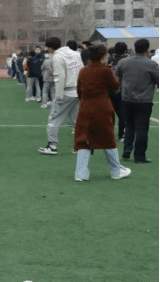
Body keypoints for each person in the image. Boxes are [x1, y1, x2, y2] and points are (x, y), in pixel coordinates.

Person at [73, 45, 131, 181]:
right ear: (103, 56)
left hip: (85, 107)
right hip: (102, 106)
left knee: (83, 139)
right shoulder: (105, 70)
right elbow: (115, 86)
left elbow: (79, 91)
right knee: (108, 139)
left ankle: (80, 174)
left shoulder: (83, 70)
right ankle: (116, 171)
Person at [115, 38, 159, 164]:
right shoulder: (150, 64)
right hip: (144, 100)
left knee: (129, 125)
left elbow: (117, 76)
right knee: (142, 128)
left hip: (127, 98)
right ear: (147, 49)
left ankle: (127, 149)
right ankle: (139, 156)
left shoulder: (124, 62)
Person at [38, 38, 83, 155]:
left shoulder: (57, 57)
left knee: (54, 118)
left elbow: (59, 76)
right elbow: (82, 71)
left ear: (50, 48)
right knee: (76, 119)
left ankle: (52, 146)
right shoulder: (76, 54)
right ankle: (81, 145)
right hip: (77, 91)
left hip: (65, 92)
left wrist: (58, 96)